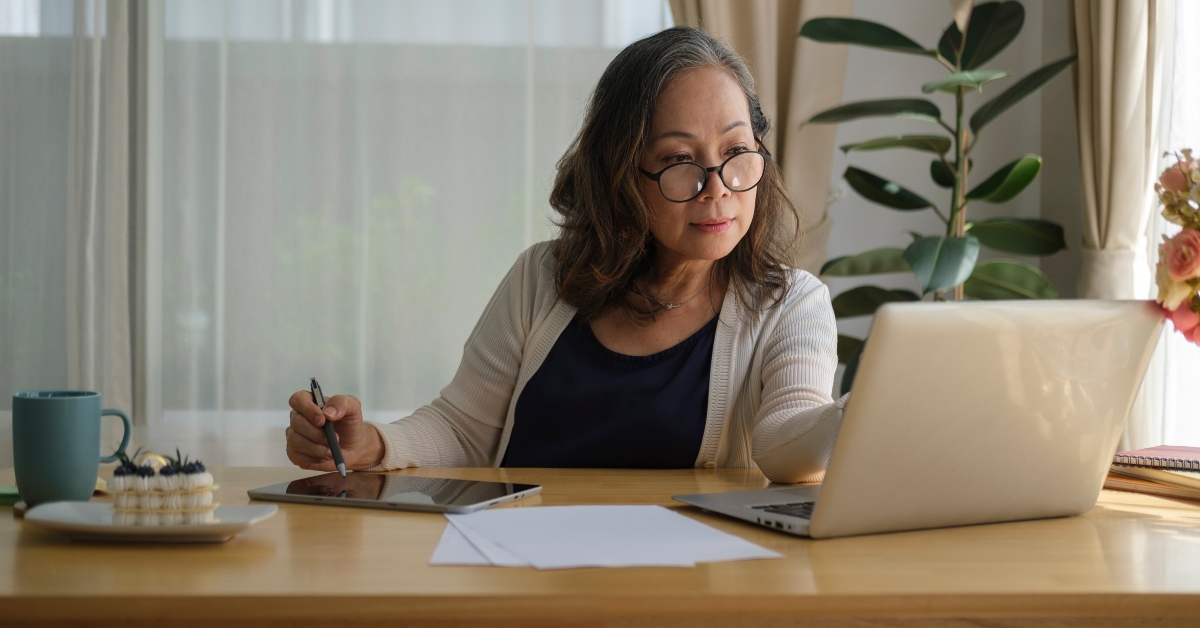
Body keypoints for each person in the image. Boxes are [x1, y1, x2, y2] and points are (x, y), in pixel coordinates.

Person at [285, 26, 846, 484]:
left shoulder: (790, 303)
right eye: (680, 159)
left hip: (681, 588)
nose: (717, 187)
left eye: (736, 152)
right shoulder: (542, 277)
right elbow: (463, 429)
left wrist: (863, 415)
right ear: (623, 173)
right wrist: (373, 443)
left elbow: (786, 441)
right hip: (519, 569)